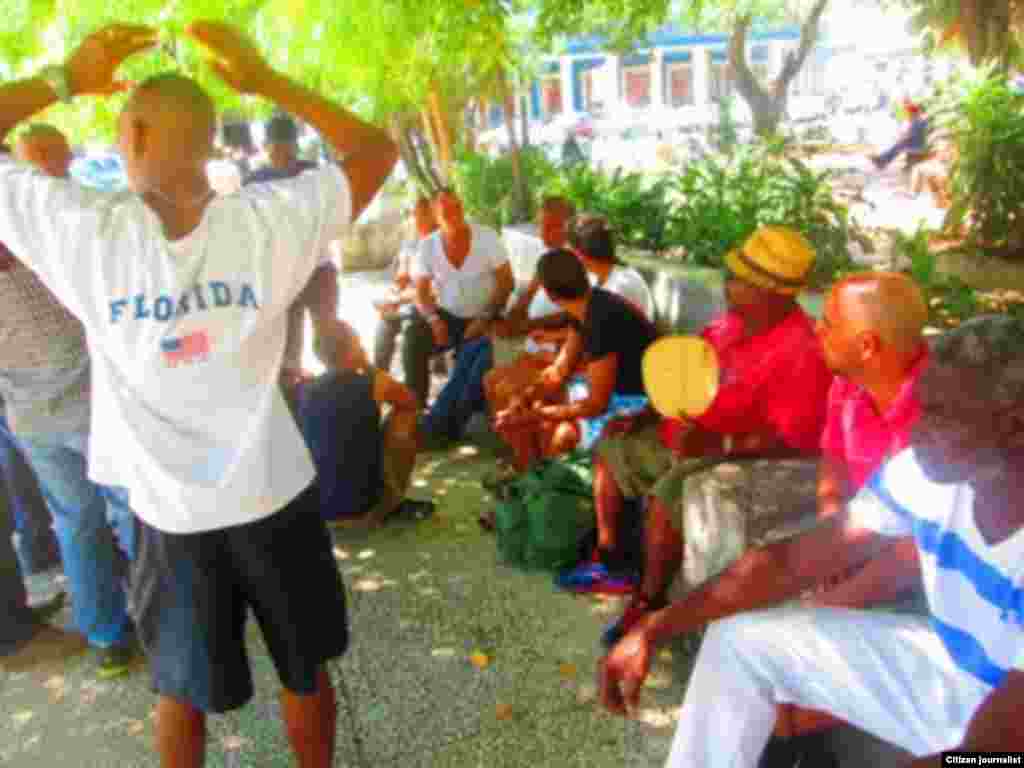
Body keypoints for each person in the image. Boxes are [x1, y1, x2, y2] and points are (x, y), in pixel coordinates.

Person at [0, 21, 397, 768]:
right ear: (214, 140)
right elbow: (377, 150)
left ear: (138, 132)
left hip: (165, 515)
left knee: (178, 691)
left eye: (120, 131)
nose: (116, 146)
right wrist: (265, 77)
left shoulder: (81, 229)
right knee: (305, 669)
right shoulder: (266, 223)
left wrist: (64, 80)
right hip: (274, 495)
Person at [599, 314, 1024, 768]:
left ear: (1015, 426)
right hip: (952, 673)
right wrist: (657, 626)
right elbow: (793, 562)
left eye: (943, 416)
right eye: (924, 407)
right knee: (740, 642)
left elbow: (999, 746)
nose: (918, 432)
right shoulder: (925, 472)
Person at [593, 226, 833, 614]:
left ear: (774, 294)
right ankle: (609, 559)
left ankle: (649, 602)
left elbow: (793, 439)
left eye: (740, 282)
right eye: (731, 278)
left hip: (730, 451)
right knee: (610, 444)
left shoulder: (801, 351)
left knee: (670, 494)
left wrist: (718, 446)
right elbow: (685, 377)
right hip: (687, 431)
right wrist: (645, 414)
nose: (729, 288)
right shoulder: (729, 326)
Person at [1, 124, 137, 679]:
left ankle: (105, 635)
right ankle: (166, 618)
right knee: (127, 511)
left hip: (28, 412)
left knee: (75, 522)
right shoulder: (45, 231)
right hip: (90, 401)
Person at [488, 214, 654, 470]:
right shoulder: (586, 308)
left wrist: (536, 413)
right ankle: (530, 483)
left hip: (634, 405)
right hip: (604, 395)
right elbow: (559, 370)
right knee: (528, 416)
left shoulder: (602, 318)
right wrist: (525, 398)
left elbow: (596, 403)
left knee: (557, 432)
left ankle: (541, 485)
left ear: (552, 296)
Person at [420, 196, 576, 447]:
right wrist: (501, 322)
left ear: (568, 227)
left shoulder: (573, 263)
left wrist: (520, 328)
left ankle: (442, 426)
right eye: (541, 225)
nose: (542, 232)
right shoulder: (547, 257)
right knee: (474, 348)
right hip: (527, 335)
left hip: (544, 343)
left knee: (483, 360)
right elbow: (523, 301)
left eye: (550, 226)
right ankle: (438, 422)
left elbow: (570, 315)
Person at [297, 317, 433, 527]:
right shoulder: (374, 383)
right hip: (363, 506)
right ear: (353, 349)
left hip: (319, 507)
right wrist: (368, 365)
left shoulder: (305, 388)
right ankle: (390, 504)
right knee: (405, 418)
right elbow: (411, 402)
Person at [244, 113, 338, 408]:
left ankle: (337, 395)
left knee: (329, 335)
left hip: (318, 268)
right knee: (287, 344)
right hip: (281, 271)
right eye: (275, 145)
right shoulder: (253, 182)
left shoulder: (313, 174)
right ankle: (293, 405)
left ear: (295, 145)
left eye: (286, 144)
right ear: (265, 146)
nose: (281, 151)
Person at [403, 188, 514, 406]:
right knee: (413, 334)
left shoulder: (487, 237)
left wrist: (484, 318)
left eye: (457, 207)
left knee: (474, 366)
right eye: (446, 210)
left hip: (487, 315)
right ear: (435, 215)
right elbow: (421, 291)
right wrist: (434, 321)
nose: (454, 213)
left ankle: (457, 410)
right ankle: (415, 405)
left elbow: (506, 282)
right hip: (448, 318)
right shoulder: (427, 246)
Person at [372, 195, 438, 373]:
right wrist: (392, 293)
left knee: (408, 325)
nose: (416, 218)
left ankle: (409, 391)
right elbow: (401, 277)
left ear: (433, 215)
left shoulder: (439, 244)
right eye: (415, 214)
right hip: (409, 300)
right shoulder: (411, 243)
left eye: (422, 213)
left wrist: (399, 300)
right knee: (385, 320)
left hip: (428, 303)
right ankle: (379, 377)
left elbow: (434, 290)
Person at [871, 99, 929, 170]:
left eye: (909, 112)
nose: (908, 114)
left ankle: (882, 160)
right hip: (916, 143)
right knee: (898, 145)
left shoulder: (917, 121)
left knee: (899, 145)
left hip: (917, 145)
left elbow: (912, 135)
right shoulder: (918, 120)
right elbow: (912, 134)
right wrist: (903, 137)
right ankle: (882, 160)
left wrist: (903, 138)